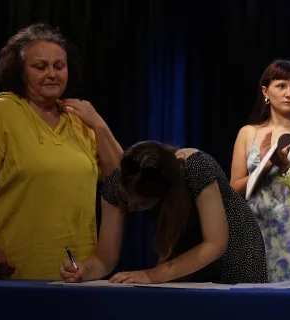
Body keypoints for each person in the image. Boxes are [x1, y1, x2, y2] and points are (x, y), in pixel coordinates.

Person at [0, 23, 120, 280]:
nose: (51, 74)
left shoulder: (80, 120)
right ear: (20, 72)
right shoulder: (1, 113)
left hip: (77, 279)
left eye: (59, 66)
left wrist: (100, 125)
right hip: (15, 276)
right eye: (40, 67)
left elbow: (121, 182)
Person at [58, 116, 269, 284]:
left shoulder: (195, 168)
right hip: (186, 253)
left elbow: (215, 243)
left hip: (234, 251)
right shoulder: (116, 185)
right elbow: (105, 258)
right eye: (127, 198)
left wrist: (152, 275)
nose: (131, 207)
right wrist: (84, 270)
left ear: (164, 194)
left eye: (141, 203)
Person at [230, 59, 290, 282]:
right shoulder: (248, 133)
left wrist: (285, 166)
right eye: (281, 86)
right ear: (266, 91)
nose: (289, 93)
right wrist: (265, 166)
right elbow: (234, 189)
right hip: (255, 232)